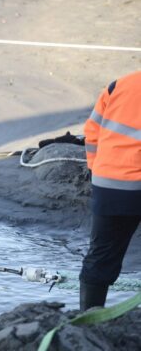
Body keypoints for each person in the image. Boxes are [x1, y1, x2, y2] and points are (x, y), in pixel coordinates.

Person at [79, 70, 141, 311]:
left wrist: (98, 170)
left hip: (109, 185)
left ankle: (88, 320)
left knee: (101, 256)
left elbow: (92, 131)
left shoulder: (119, 85)